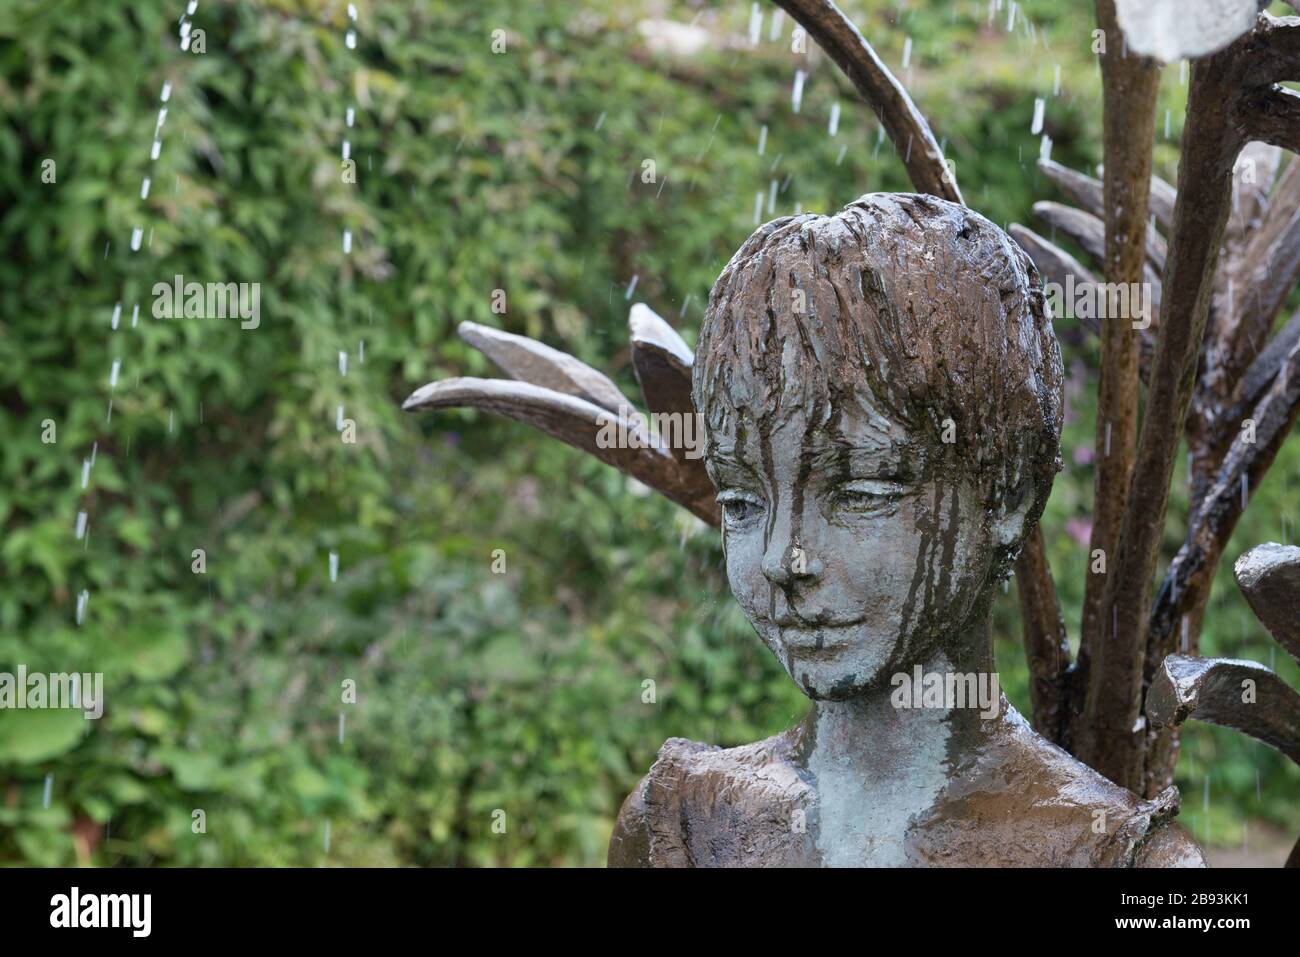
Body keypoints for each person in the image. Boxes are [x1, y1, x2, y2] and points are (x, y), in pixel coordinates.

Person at [607, 193, 1205, 867]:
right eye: (742, 502)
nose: (782, 557)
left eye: (858, 491)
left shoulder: (1113, 859)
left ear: (1007, 491)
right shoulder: (684, 825)